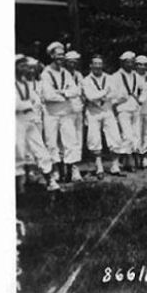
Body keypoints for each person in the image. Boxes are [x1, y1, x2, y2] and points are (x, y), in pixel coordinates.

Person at [40, 41, 82, 185]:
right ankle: (57, 171)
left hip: (66, 112)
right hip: (51, 113)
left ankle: (70, 171)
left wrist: (62, 92)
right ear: (52, 56)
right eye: (58, 55)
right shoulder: (46, 73)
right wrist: (66, 95)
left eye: (62, 55)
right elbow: (48, 96)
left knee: (70, 140)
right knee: (51, 142)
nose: (61, 58)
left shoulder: (66, 72)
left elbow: (76, 91)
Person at [15, 54, 53, 193]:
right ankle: (21, 187)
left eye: (31, 68)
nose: (29, 70)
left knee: (41, 150)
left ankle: (50, 181)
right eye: (24, 67)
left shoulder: (29, 84)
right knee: (20, 154)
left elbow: (36, 101)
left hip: (31, 120)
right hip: (16, 122)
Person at [82, 54, 123, 177]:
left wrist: (100, 96)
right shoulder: (86, 80)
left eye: (100, 64)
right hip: (93, 112)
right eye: (95, 64)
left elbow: (116, 94)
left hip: (107, 110)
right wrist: (105, 92)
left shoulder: (110, 78)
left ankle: (115, 166)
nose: (98, 66)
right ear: (91, 65)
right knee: (94, 139)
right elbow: (90, 96)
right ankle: (99, 167)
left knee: (115, 137)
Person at [112, 51, 142, 172]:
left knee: (136, 135)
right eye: (127, 62)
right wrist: (118, 100)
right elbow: (113, 93)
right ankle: (128, 160)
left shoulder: (136, 76)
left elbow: (143, 89)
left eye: (131, 62)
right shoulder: (115, 76)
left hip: (134, 107)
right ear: (122, 63)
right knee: (127, 135)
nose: (130, 64)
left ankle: (130, 160)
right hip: (122, 108)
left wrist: (141, 99)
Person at [63, 51, 85, 181]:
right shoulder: (62, 75)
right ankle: (68, 170)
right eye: (70, 61)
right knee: (68, 141)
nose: (73, 64)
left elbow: (82, 92)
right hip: (66, 111)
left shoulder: (79, 75)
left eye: (75, 61)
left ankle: (75, 170)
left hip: (78, 110)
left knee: (78, 141)